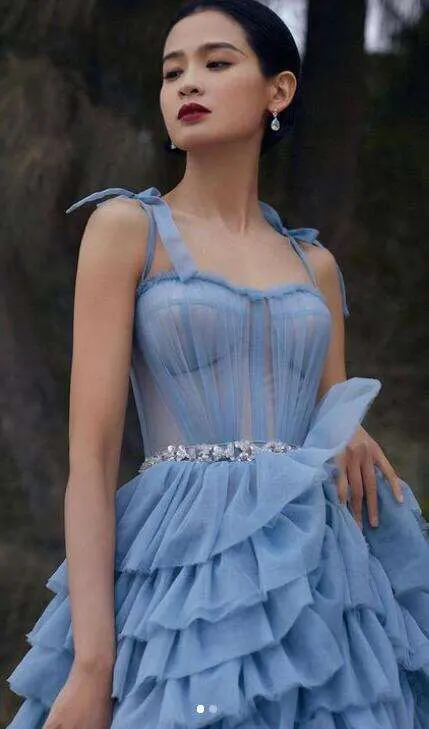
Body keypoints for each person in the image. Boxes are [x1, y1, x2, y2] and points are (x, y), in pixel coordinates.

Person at [6, 1, 429, 727]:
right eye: (172, 72)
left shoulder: (315, 264)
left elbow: (329, 410)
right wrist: (93, 662)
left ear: (278, 90)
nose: (187, 84)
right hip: (180, 572)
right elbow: (92, 456)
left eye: (215, 62)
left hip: (316, 577)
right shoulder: (126, 229)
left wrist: (346, 427)